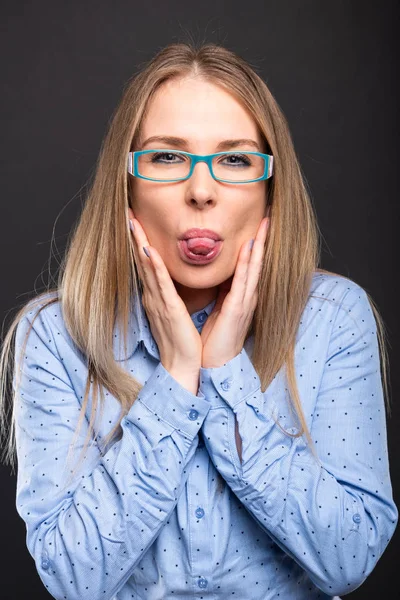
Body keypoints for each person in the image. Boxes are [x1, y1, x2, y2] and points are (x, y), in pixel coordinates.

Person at [0, 41, 397, 600]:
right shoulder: (53, 335)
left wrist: (227, 371)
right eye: (167, 157)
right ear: (127, 184)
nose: (202, 191)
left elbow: (350, 555)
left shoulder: (333, 319)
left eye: (235, 160)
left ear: (269, 190)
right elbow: (70, 576)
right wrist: (178, 377)